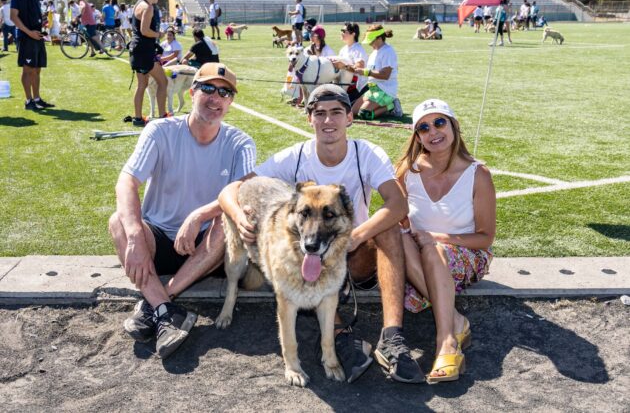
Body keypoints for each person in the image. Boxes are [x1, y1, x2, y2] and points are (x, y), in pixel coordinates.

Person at [219, 84, 424, 384]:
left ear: (349, 117)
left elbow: (398, 204)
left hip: (353, 253)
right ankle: (340, 336)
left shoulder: (366, 153)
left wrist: (356, 236)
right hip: (312, 257)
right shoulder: (295, 155)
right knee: (306, 270)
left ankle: (392, 337)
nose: (328, 120)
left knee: (391, 228)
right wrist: (235, 216)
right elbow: (235, 187)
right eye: (320, 113)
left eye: (336, 112)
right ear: (310, 119)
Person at [109, 62, 256, 359]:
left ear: (231, 102)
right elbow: (126, 181)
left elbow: (244, 192)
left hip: (205, 248)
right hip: (158, 240)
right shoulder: (160, 130)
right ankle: (167, 311)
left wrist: (199, 215)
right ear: (192, 92)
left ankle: (157, 303)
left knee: (226, 222)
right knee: (118, 222)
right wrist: (135, 236)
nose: (216, 98)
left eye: (225, 93)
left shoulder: (240, 142)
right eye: (208, 88)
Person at [395, 99, 496, 383]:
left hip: (466, 255)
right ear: (417, 136)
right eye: (424, 127)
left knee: (433, 249)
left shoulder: (478, 174)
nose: (433, 132)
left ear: (454, 126)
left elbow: (486, 238)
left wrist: (435, 238)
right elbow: (399, 221)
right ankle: (455, 319)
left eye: (440, 122)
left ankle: (447, 342)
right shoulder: (407, 171)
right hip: (419, 257)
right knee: (398, 238)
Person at [10, 0, 55, 110]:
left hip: (38, 35)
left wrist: (43, 19)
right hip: (26, 37)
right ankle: (29, 101)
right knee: (28, 69)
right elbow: (13, 17)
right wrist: (29, 32)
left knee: (37, 69)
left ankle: (37, 99)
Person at [128, 0, 167, 126]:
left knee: (142, 85)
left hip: (136, 49)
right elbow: (144, 31)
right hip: (144, 51)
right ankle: (162, 116)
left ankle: (138, 118)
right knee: (163, 82)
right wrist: (159, 34)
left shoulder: (139, 3)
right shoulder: (148, 7)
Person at [351, 24, 402, 120]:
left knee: (364, 114)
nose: (370, 44)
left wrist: (366, 72)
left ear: (379, 38)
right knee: (352, 112)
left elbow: (386, 75)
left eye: (371, 41)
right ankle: (385, 106)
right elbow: (371, 70)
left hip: (385, 90)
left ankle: (391, 106)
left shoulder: (388, 51)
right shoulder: (374, 52)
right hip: (373, 89)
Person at [331, 22, 368, 104]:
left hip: (358, 88)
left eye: (344, 31)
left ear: (353, 34)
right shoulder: (343, 49)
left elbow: (359, 69)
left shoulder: (358, 49)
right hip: (344, 85)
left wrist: (344, 66)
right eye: (341, 31)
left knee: (343, 106)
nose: (342, 33)